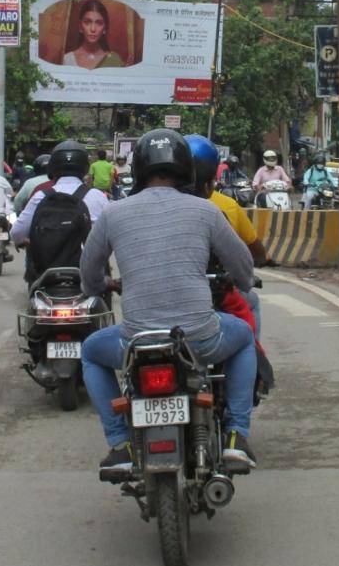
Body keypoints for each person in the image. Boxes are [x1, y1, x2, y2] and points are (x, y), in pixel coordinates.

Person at [80, 129, 257, 476]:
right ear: (186, 170)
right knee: (245, 337)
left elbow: (89, 273)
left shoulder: (114, 213)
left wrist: (103, 284)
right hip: (200, 339)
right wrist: (242, 282)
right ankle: (237, 436)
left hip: (135, 342)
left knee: (90, 351)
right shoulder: (206, 211)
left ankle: (120, 445)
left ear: (140, 169)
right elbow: (244, 269)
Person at [187, 133, 267, 336]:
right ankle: (256, 359)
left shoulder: (145, 208)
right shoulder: (219, 209)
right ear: (209, 182)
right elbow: (247, 258)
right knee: (250, 307)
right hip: (213, 292)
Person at [12, 140, 110, 282]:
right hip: (89, 277)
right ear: (84, 167)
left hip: (46, 277)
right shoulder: (97, 196)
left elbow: (17, 233)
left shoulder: (40, 196)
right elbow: (111, 233)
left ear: (53, 167)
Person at [64, 0, 124, 70]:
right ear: (80, 26)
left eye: (99, 23)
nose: (93, 29)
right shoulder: (67, 60)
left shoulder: (114, 60)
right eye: (87, 22)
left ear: (104, 29)